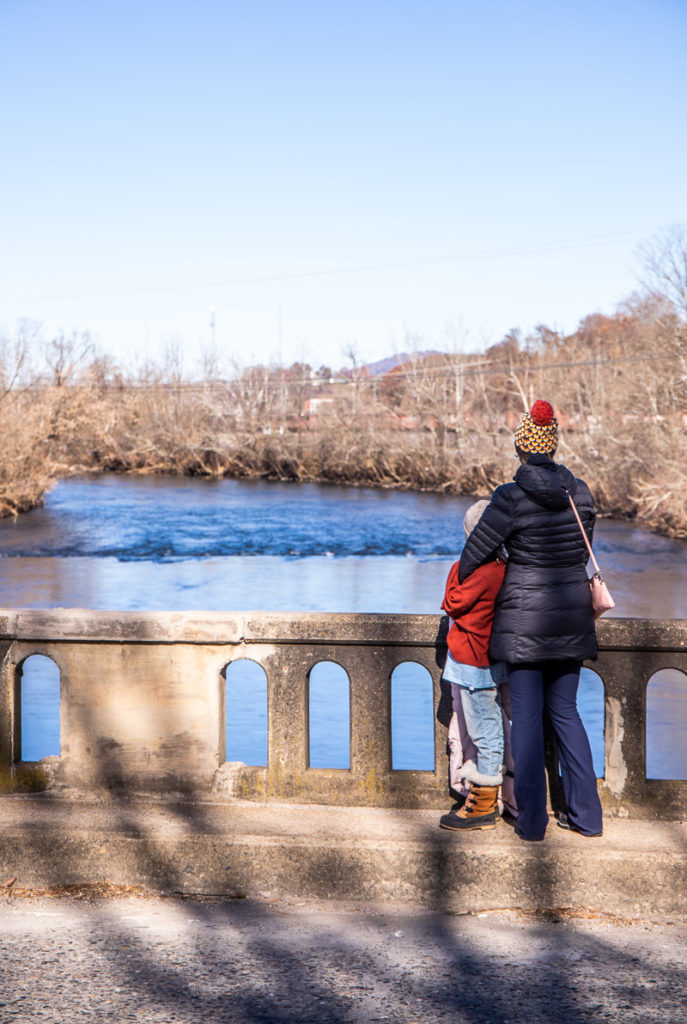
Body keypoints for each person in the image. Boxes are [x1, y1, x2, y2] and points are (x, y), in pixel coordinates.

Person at [457, 400, 603, 842]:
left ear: (521, 447)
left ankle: (532, 823)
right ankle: (587, 818)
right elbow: (582, 551)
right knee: (566, 714)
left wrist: (508, 556)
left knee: (526, 719)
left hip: (523, 626)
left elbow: (471, 558)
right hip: (572, 618)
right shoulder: (579, 493)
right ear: (553, 446)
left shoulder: (509, 497)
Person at [438, 500, 507, 831]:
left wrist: (458, 568)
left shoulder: (475, 571)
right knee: (487, 730)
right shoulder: (502, 568)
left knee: (484, 734)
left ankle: (482, 806)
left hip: (472, 662)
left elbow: (451, 603)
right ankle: (482, 800)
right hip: (484, 660)